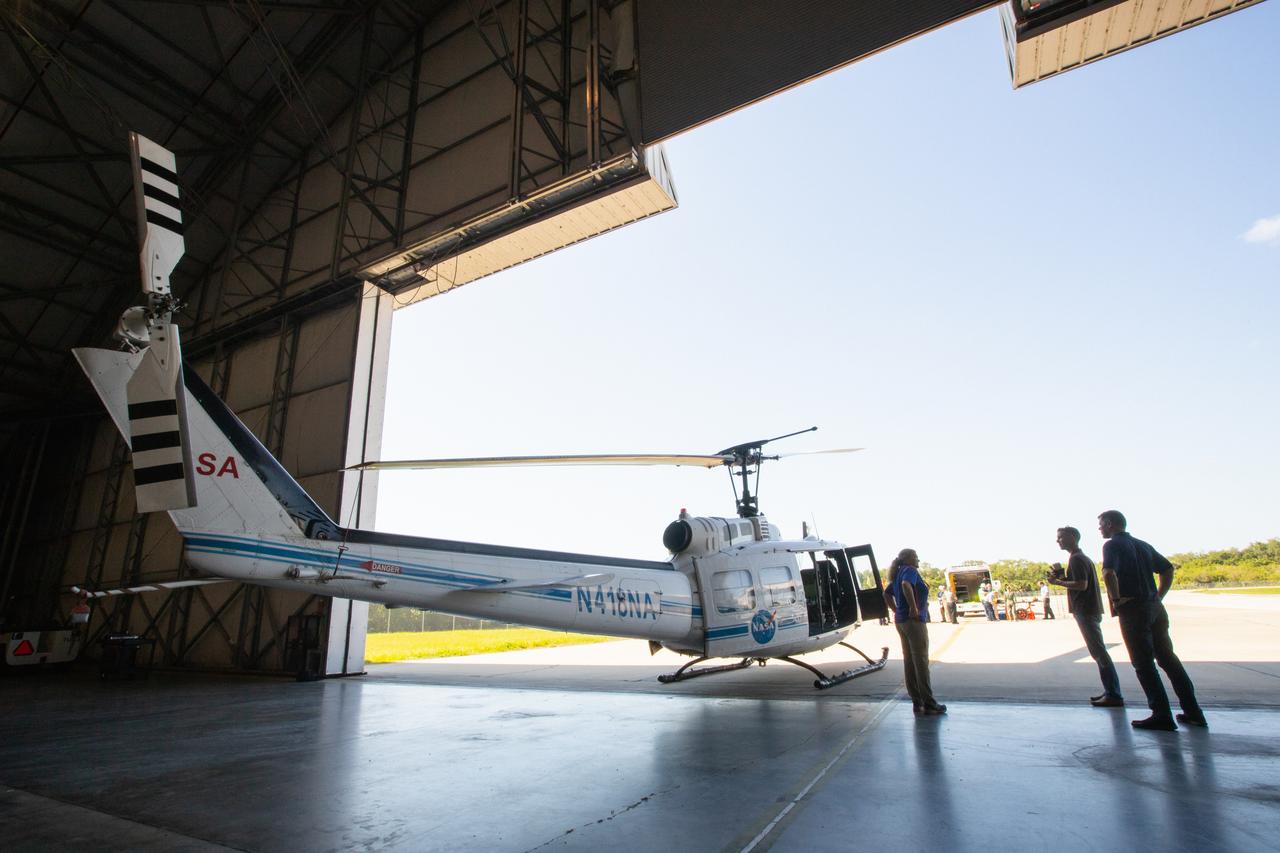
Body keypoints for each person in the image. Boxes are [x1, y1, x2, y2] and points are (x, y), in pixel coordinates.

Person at [1098, 510, 1206, 731]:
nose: (1099, 529)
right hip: (1155, 608)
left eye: (1101, 525)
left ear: (1110, 524)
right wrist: (1158, 596)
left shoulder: (1111, 546)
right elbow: (1167, 569)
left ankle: (1161, 714)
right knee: (1168, 659)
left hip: (1133, 609)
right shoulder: (1142, 545)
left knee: (1143, 663)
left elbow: (1108, 574)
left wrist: (1117, 600)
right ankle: (1193, 711)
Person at [1048, 526, 1123, 707]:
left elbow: (1082, 585)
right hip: (1088, 610)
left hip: (1086, 610)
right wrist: (1063, 577)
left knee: (1098, 652)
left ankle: (1113, 693)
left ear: (1073, 537)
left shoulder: (1077, 559)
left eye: (1061, 537)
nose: (1058, 541)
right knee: (1097, 651)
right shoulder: (1080, 558)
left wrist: (1057, 581)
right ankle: (1110, 691)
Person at [883, 548, 946, 715]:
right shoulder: (909, 571)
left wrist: (896, 610)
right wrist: (914, 608)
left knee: (909, 660)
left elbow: (886, 593)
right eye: (916, 557)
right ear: (908, 559)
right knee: (921, 661)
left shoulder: (898, 573)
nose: (918, 560)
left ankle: (916, 700)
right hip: (914, 622)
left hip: (901, 622)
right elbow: (906, 585)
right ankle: (929, 702)